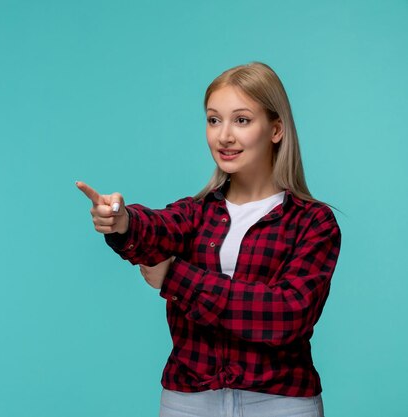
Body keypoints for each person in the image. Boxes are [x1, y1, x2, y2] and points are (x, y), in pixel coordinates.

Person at [76, 62, 341, 417]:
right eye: (214, 119)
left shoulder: (313, 222)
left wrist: (176, 278)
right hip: (189, 402)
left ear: (276, 129)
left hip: (281, 403)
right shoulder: (196, 213)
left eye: (241, 120)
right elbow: (155, 229)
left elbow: (286, 315)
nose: (224, 136)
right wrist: (123, 221)